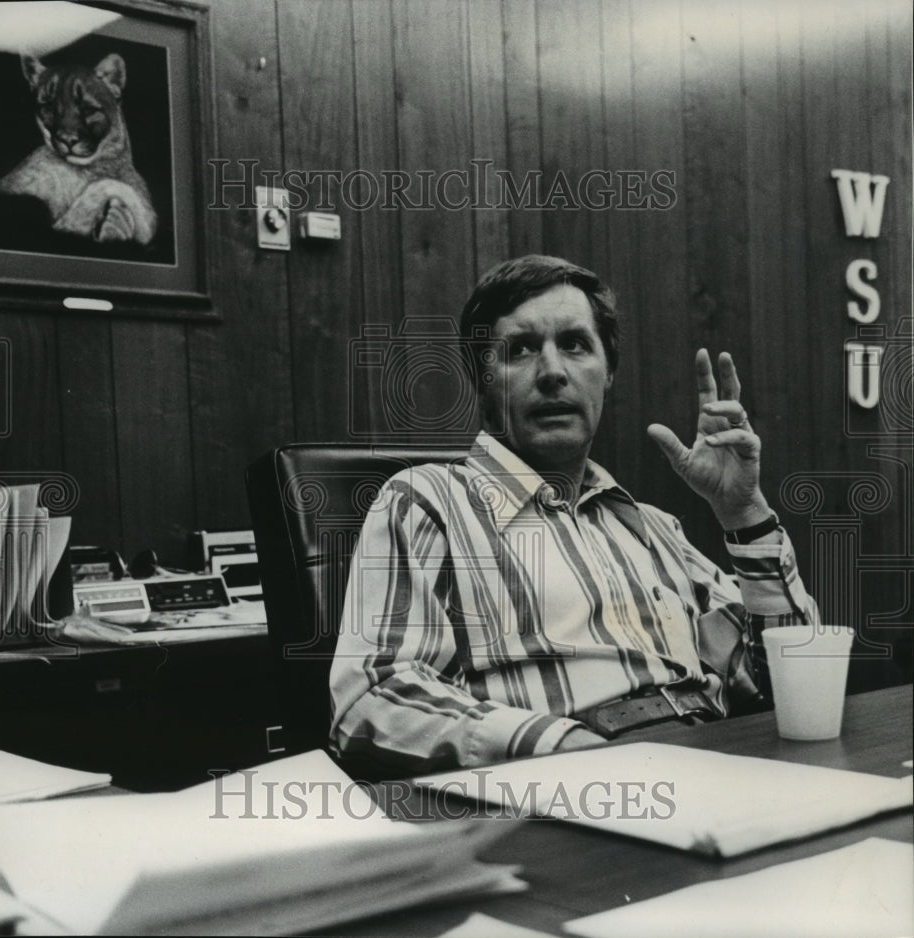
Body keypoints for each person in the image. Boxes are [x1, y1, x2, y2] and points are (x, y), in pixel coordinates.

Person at [329, 255, 818, 774]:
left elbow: (793, 678)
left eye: (574, 344)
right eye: (519, 350)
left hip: (711, 767)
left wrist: (743, 512)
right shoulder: (428, 502)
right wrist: (564, 749)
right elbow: (373, 695)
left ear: (607, 374)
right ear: (484, 382)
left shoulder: (653, 528)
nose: (553, 372)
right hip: (561, 793)